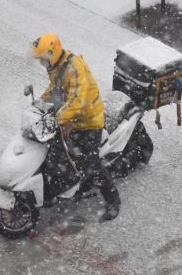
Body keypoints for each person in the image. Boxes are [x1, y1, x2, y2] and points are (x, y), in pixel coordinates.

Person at [31, 32, 121, 222]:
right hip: (71, 118)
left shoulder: (74, 68)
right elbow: (54, 88)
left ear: (52, 53)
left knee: (91, 163)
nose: (42, 63)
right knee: (53, 154)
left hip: (89, 121)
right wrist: (40, 103)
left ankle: (113, 200)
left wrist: (59, 118)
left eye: (43, 59)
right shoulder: (56, 67)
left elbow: (77, 100)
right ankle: (56, 190)